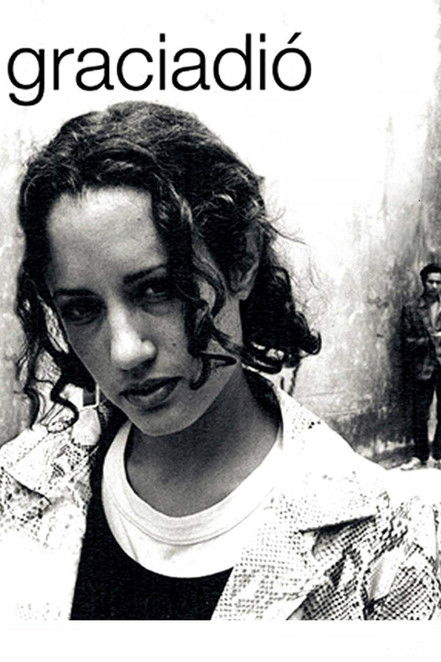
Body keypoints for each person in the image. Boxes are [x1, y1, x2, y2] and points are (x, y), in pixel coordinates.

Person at [0, 101, 438, 620]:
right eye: (81, 309)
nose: (125, 351)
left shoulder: (387, 546)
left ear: (242, 260)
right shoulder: (16, 490)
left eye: (159, 289)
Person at [401, 263, 441, 470]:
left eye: (439, 283)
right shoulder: (411, 308)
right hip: (422, 367)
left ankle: (439, 456)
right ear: (423, 282)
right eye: (431, 282)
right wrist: (432, 338)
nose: (435, 286)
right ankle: (420, 456)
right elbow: (406, 341)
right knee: (419, 413)